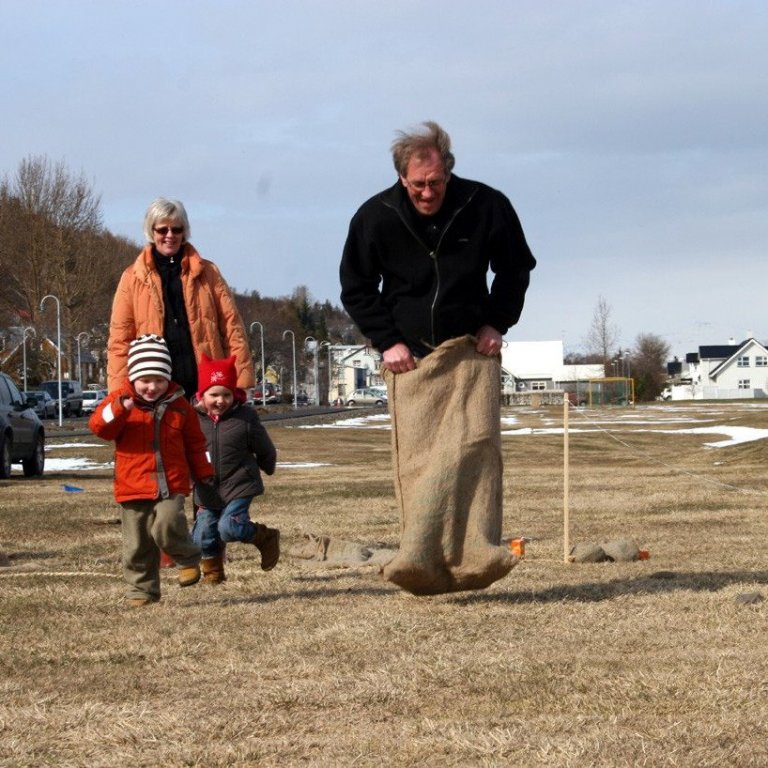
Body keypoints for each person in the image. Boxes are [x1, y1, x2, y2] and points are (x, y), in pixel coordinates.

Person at [339, 121, 536, 594]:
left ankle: (476, 556)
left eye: (436, 182)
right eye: (417, 185)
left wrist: (497, 322)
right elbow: (356, 286)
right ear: (401, 178)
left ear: (448, 170)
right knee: (421, 464)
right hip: (410, 360)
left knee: (475, 452)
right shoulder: (375, 216)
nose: (427, 193)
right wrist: (387, 340)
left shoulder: (486, 204)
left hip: (470, 351)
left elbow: (515, 268)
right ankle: (420, 559)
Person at [89, 334, 218, 608]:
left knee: (167, 524)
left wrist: (203, 471)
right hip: (133, 484)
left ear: (168, 378)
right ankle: (142, 591)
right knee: (137, 543)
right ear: (133, 378)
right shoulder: (119, 400)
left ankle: (188, 558)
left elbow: (196, 444)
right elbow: (99, 427)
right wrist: (119, 409)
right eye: (145, 380)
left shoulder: (180, 406)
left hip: (171, 483)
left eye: (159, 380)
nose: (152, 387)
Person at [107, 197, 253, 398]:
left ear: (184, 231)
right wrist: (118, 395)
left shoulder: (209, 273)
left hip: (206, 391)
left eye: (176, 229)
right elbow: (119, 341)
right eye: (162, 230)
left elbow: (232, 328)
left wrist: (240, 383)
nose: (170, 235)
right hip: (156, 393)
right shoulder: (131, 278)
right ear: (151, 231)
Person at [191, 353, 279, 584]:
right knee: (202, 536)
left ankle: (264, 536)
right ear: (202, 395)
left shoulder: (245, 417)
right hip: (206, 488)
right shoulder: (192, 420)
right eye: (214, 395)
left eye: (226, 394)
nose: (221, 401)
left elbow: (264, 446)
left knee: (229, 528)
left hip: (239, 484)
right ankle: (214, 575)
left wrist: (268, 465)